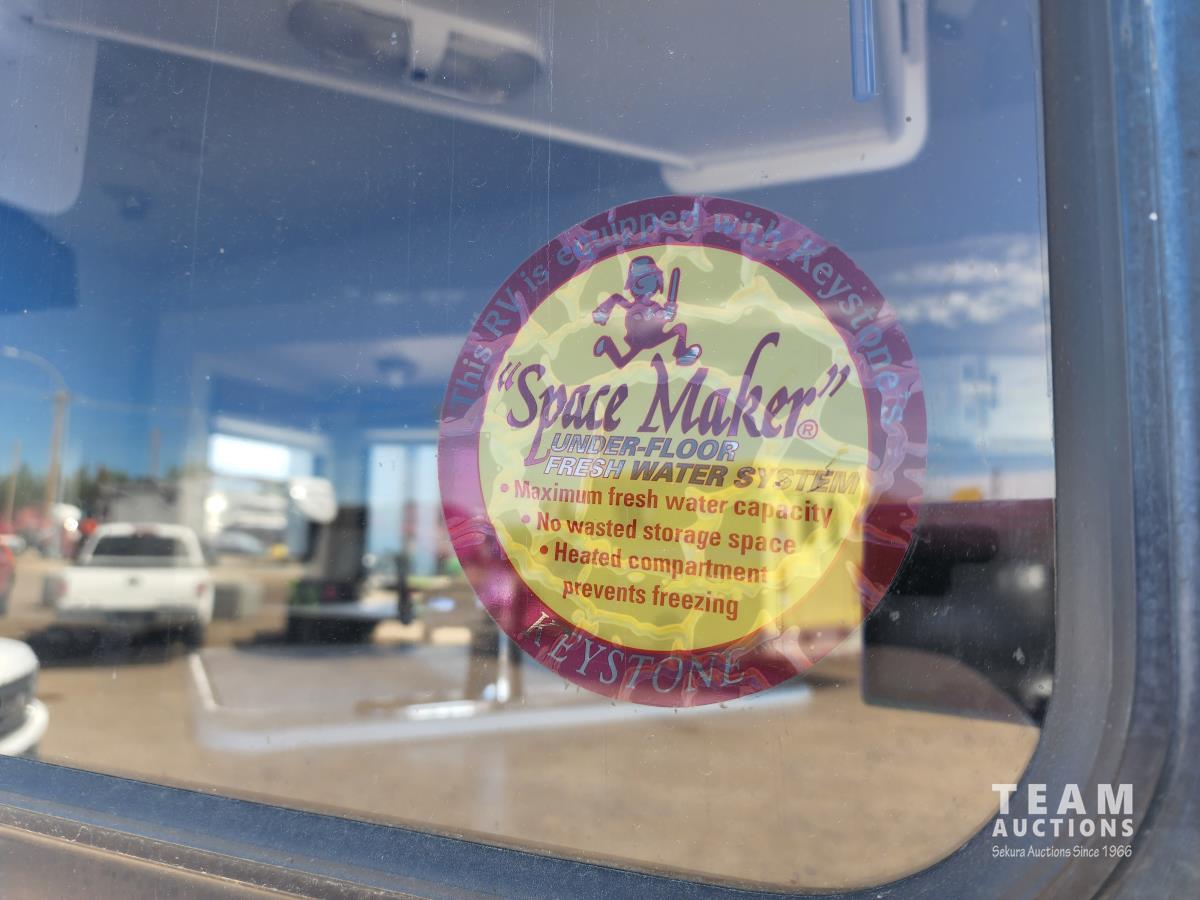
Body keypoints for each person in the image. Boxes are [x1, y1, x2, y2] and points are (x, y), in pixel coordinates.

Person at [591, 256, 702, 368]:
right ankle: (607, 344)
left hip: (654, 338)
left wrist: (668, 312)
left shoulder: (653, 307)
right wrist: (602, 313)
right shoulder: (636, 307)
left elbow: (663, 318)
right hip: (638, 341)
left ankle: (681, 353)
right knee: (621, 363)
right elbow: (617, 299)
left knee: (681, 328)